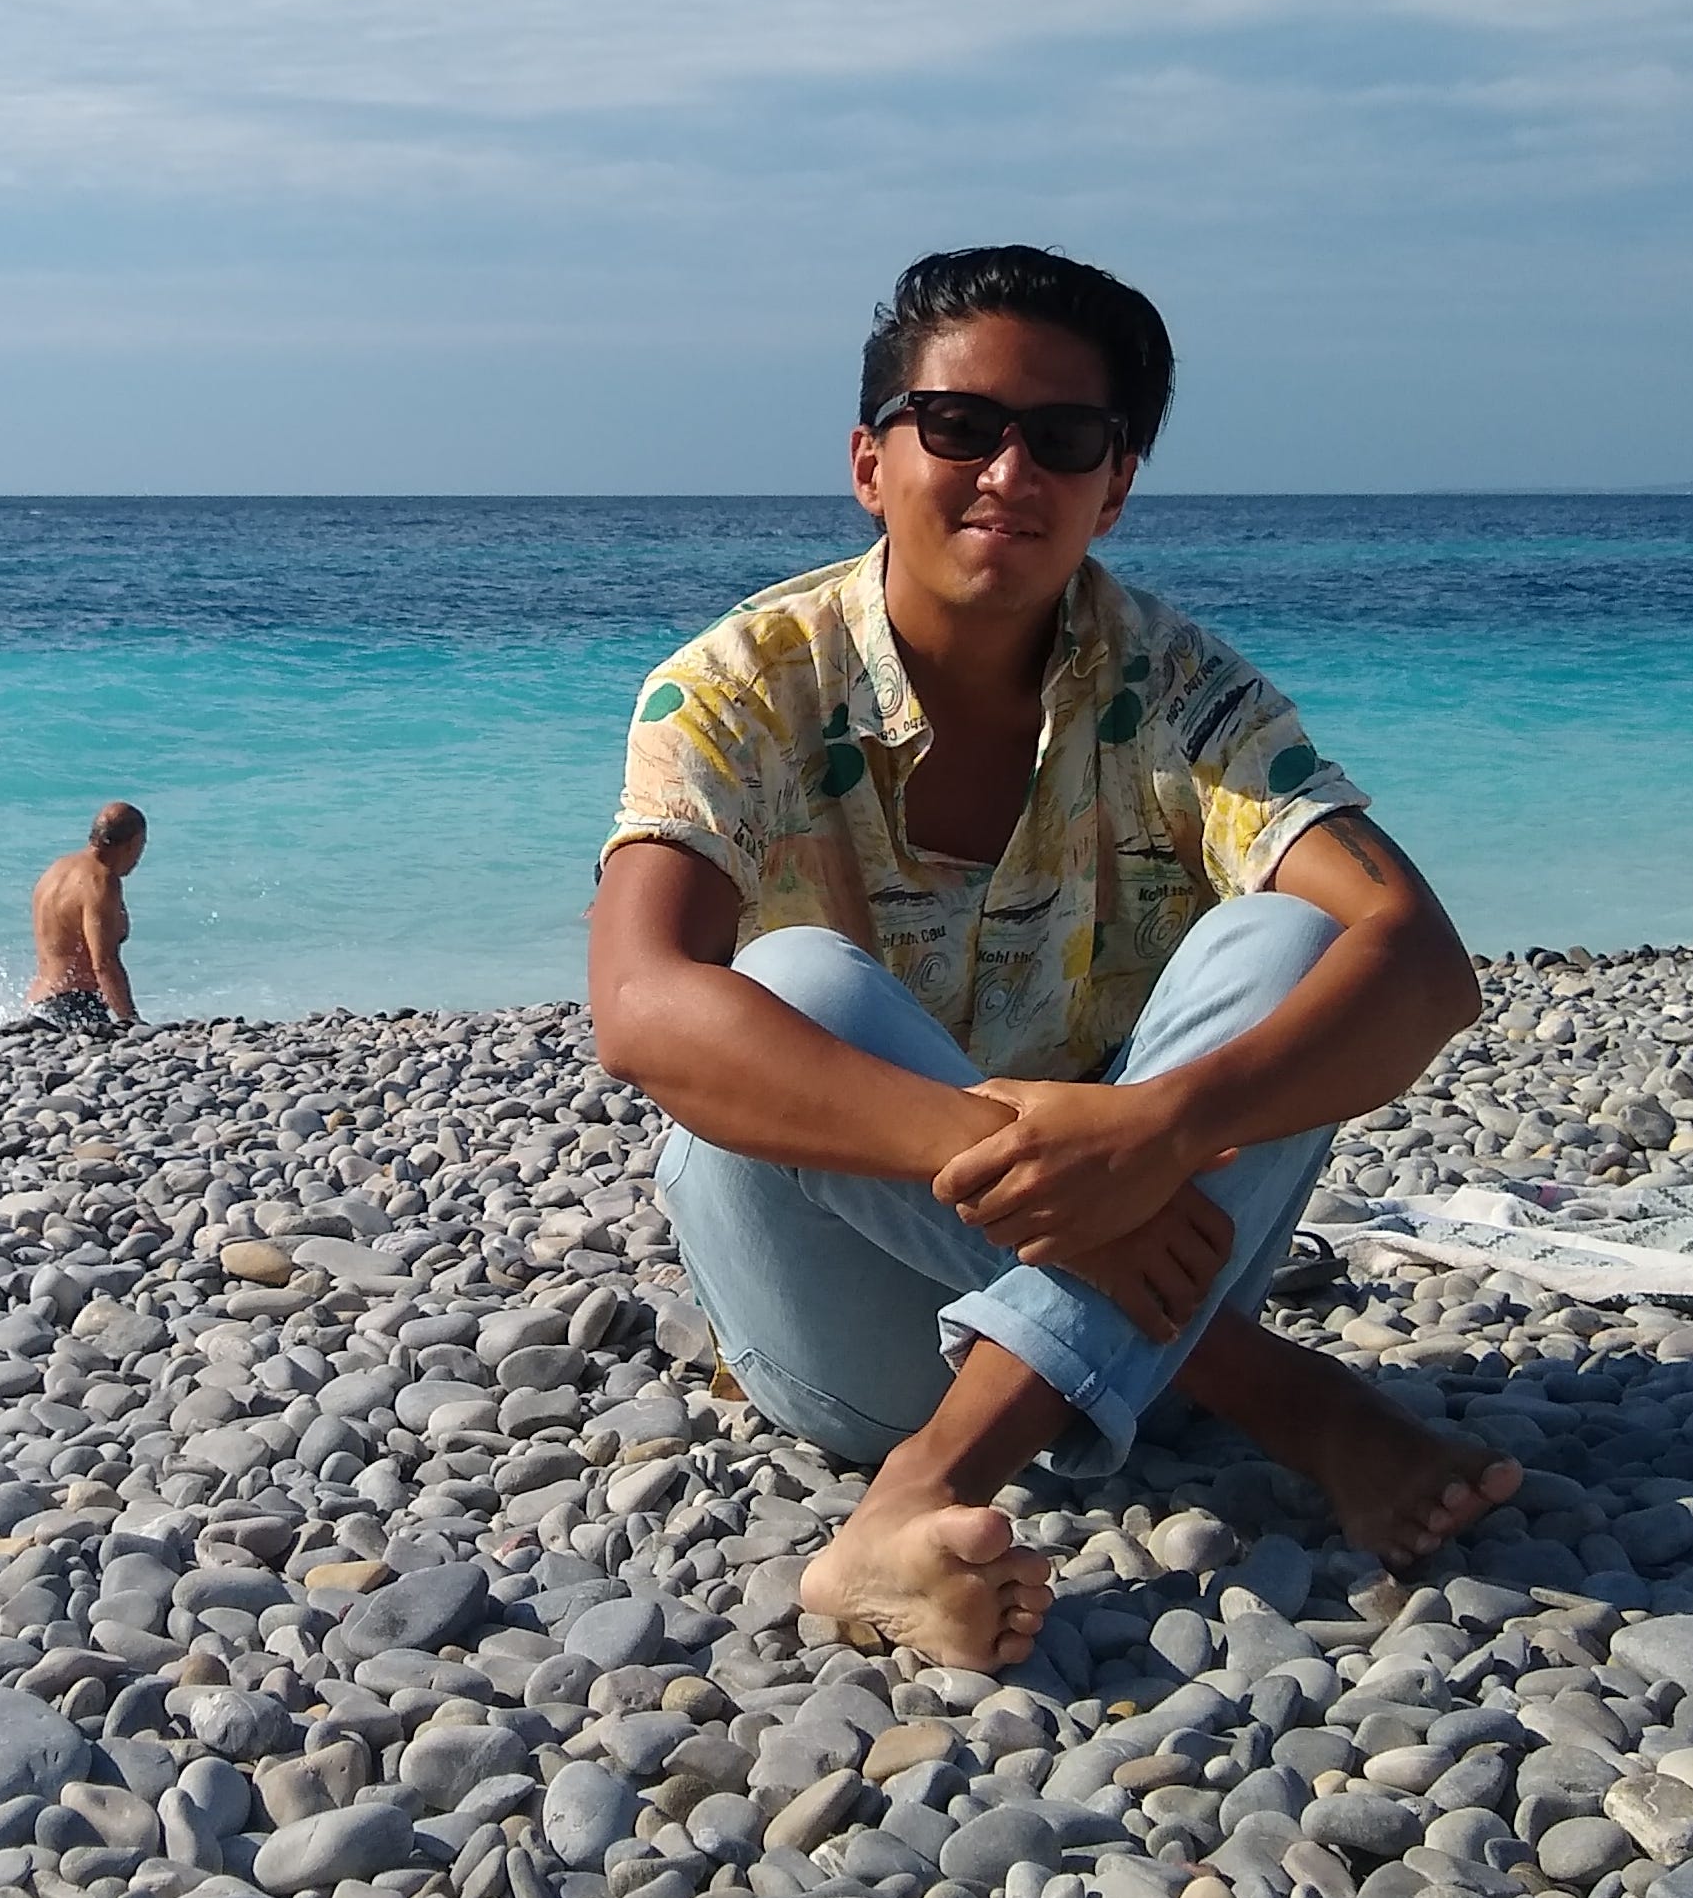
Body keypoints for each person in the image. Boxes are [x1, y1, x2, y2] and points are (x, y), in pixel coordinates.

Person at [590, 246, 1519, 1672]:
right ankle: (1279, 1398)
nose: (1006, 472)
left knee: (1290, 932)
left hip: (1156, 1237)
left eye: (1063, 438)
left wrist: (1162, 1127)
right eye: (957, 426)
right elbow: (644, 1008)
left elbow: (1423, 963)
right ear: (868, 458)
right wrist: (1066, 1189)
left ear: (1115, 482)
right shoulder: (737, 685)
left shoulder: (1178, 689)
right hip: (866, 1326)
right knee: (794, 988)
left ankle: (918, 1501)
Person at [26, 801, 148, 1035]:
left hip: (39, 1004)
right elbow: (103, 963)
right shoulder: (100, 882)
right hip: (73, 1006)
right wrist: (131, 1021)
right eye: (142, 845)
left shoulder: (57, 869)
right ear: (133, 843)